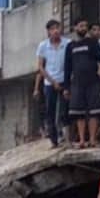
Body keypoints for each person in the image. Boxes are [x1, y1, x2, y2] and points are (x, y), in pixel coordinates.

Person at [62, 20, 100, 148]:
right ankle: (82, 140)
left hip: (93, 81)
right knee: (78, 113)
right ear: (75, 27)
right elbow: (67, 68)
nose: (83, 28)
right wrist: (66, 87)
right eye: (81, 26)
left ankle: (92, 140)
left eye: (85, 26)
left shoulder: (92, 43)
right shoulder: (70, 46)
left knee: (94, 111)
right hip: (77, 83)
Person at [33, 19, 69, 147]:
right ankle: (54, 139)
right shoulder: (43, 46)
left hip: (65, 80)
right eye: (53, 29)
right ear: (48, 31)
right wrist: (52, 82)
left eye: (58, 28)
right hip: (49, 82)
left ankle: (64, 135)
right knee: (50, 111)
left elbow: (71, 63)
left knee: (65, 109)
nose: (56, 31)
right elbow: (40, 67)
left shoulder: (67, 43)